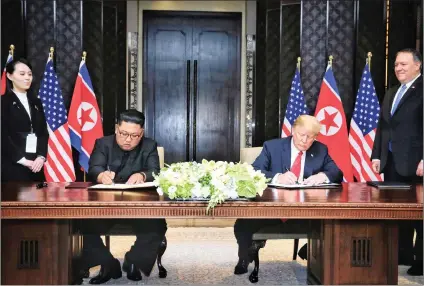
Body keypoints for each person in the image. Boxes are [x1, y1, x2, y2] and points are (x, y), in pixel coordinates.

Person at [233, 115, 342, 275]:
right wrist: (278, 176)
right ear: (293, 130)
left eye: (309, 137)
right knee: (242, 224)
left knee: (333, 224)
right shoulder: (272, 147)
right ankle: (244, 258)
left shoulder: (320, 150)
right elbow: (254, 171)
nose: (304, 140)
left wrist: (322, 176)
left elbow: (337, 172)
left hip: (306, 211)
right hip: (272, 207)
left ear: (315, 137)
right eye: (300, 135)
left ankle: (311, 251)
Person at [79, 109, 167, 284]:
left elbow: (155, 171)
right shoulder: (103, 143)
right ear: (116, 128)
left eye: (134, 136)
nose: (128, 140)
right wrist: (101, 175)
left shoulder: (149, 146)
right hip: (106, 207)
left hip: (139, 207)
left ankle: (133, 261)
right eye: (124, 133)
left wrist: (143, 176)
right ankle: (108, 264)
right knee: (82, 223)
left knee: (157, 225)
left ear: (141, 133)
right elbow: (94, 167)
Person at [371, 48, 423, 276]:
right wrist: (377, 155)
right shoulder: (392, 92)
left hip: (417, 162)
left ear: (417, 65)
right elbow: (383, 126)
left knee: (420, 214)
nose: (398, 68)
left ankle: (421, 259)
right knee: (398, 210)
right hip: (392, 161)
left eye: (403, 64)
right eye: (396, 65)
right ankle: (403, 253)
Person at [1, 58, 48, 182]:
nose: (27, 78)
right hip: (13, 166)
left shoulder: (36, 102)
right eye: (22, 74)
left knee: (41, 195)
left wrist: (41, 157)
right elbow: (3, 136)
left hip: (36, 166)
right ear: (10, 76)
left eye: (30, 74)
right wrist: (22, 160)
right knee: (17, 200)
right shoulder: (4, 102)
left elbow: (43, 132)